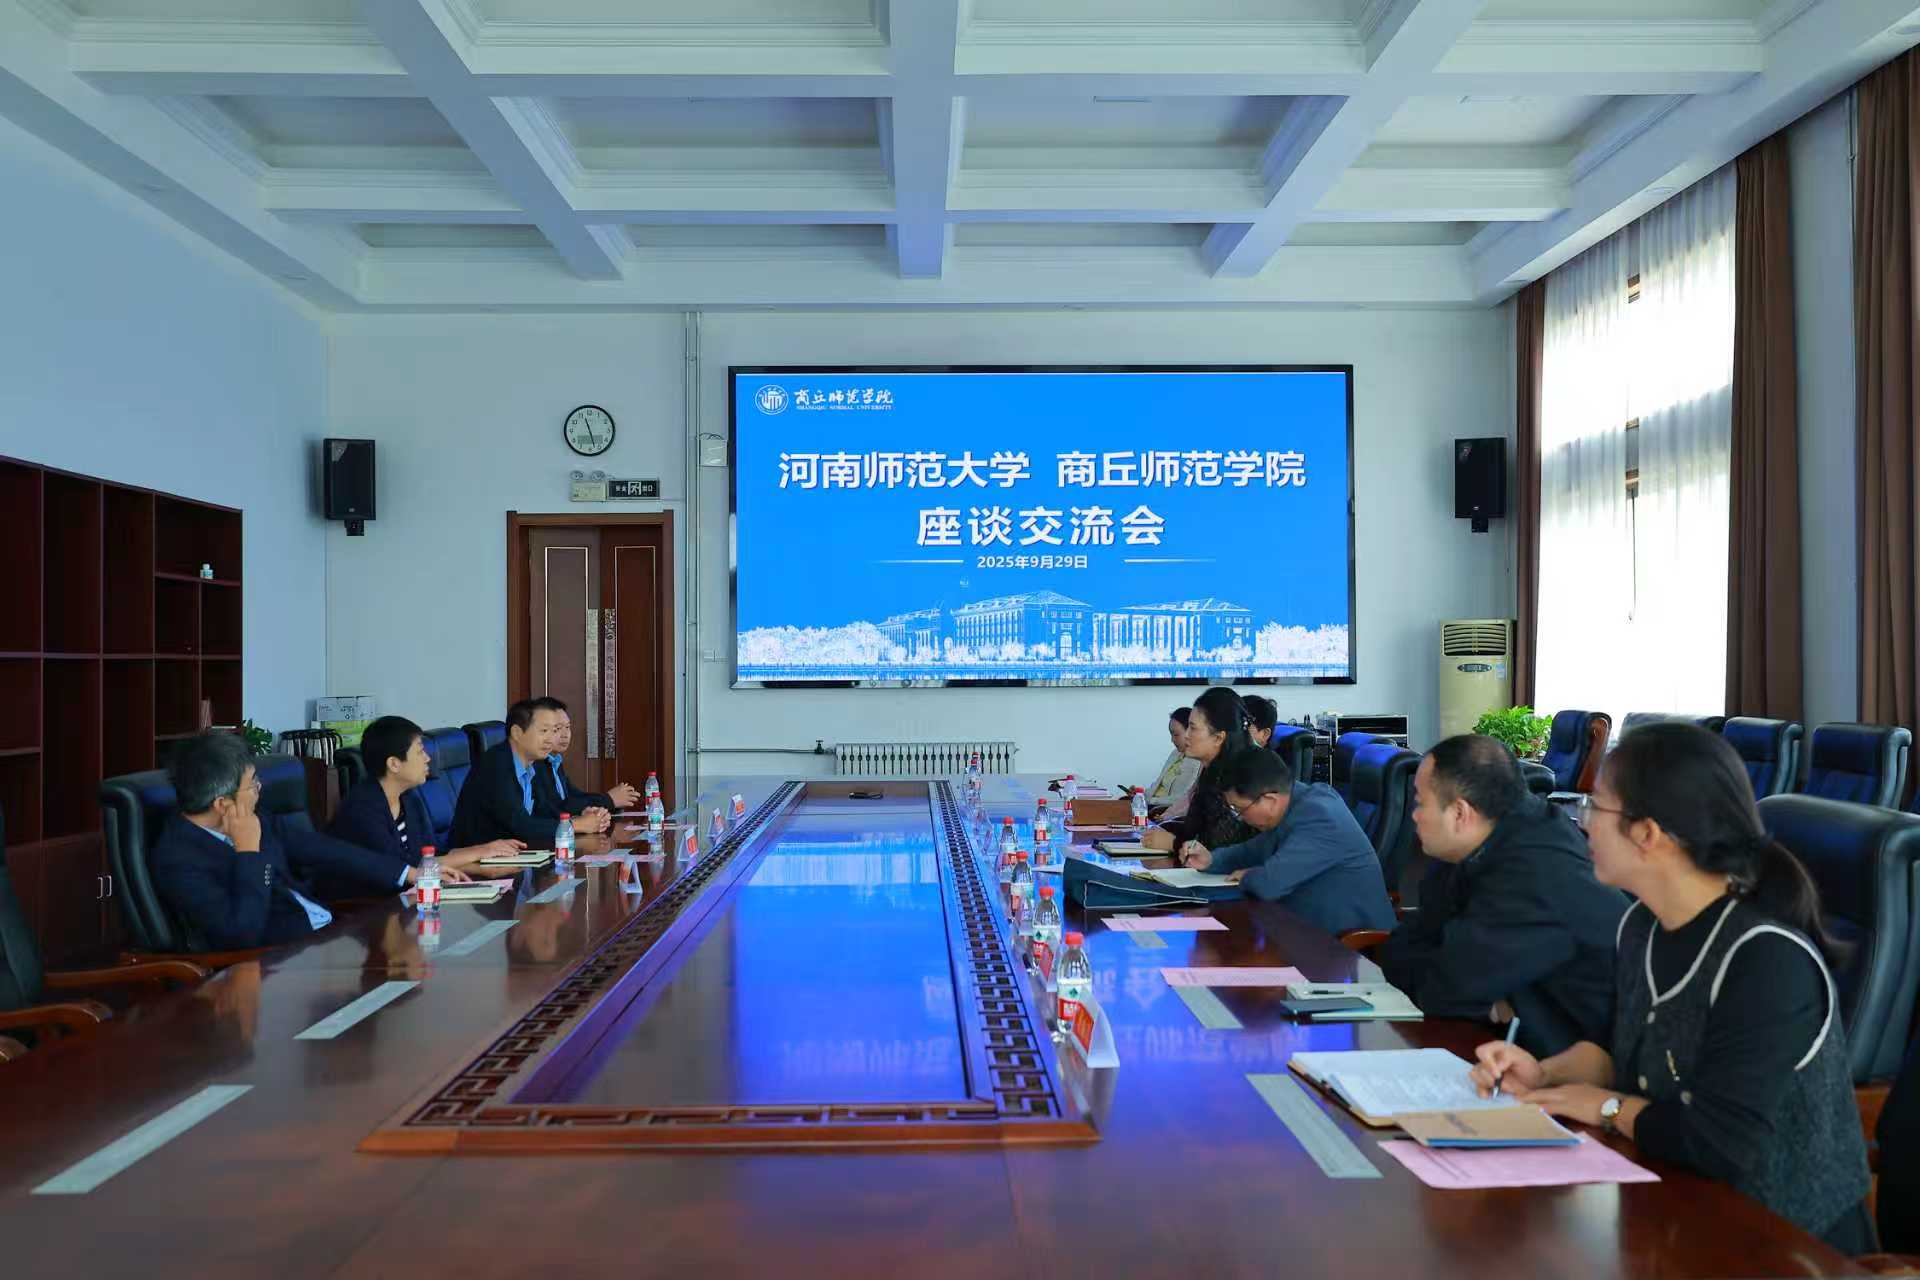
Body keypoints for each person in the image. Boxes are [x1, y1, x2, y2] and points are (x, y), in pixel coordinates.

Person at [1468, 723, 1872, 1252]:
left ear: (1648, 833)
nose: (1584, 824)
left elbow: (1716, 1143)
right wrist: (1545, 1073)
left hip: (1786, 1242)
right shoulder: (1643, 926)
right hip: (1674, 1215)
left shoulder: (1766, 960)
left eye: (1596, 807)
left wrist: (1605, 1107)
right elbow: (1626, 1058)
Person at [1379, 734, 1626, 1057]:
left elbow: (1444, 987)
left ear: (1460, 813)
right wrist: (1490, 1002)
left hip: (1579, 1063)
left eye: (1420, 802)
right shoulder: (1480, 842)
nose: (1414, 815)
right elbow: (1401, 948)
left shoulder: (1534, 870)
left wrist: (1470, 991)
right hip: (1513, 1045)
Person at [152, 732, 440, 951]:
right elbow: (242, 934)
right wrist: (248, 852)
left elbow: (325, 850)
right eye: (252, 785)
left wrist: (407, 873)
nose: (259, 790)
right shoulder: (179, 859)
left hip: (325, 934)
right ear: (222, 804)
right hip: (279, 962)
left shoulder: (257, 818)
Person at [1176, 748, 1395, 934]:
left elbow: (1268, 885)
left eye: (1240, 809)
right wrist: (1212, 860)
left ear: (1270, 800)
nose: (1239, 817)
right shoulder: (1295, 802)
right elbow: (1253, 850)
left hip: (1350, 946)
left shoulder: (1320, 816)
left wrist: (1250, 875)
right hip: (1304, 929)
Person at [330, 715, 522, 876]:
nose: (427, 758)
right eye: (420, 751)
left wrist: (482, 865)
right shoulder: (363, 808)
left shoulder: (409, 798)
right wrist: (479, 852)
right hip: (365, 904)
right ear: (394, 764)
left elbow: (430, 856)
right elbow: (400, 869)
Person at [448, 699, 610, 849]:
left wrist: (579, 816)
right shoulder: (496, 765)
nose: (550, 739)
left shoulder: (531, 765)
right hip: (475, 862)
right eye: (544, 731)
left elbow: (545, 811)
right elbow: (520, 825)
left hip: (514, 854)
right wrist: (577, 825)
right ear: (517, 733)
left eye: (553, 731)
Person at [1140, 686, 1256, 853]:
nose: (1186, 735)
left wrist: (1175, 843)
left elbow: (1227, 844)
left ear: (1218, 737)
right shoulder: (1209, 770)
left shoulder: (1244, 775)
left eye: (1192, 728)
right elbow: (1195, 828)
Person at [529, 696, 640, 818]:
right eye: (558, 728)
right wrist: (609, 800)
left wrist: (611, 801)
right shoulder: (534, 763)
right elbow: (556, 808)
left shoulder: (554, 761)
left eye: (568, 727)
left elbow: (574, 797)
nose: (565, 735)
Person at [1145, 707, 1201, 809]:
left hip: (1162, 809)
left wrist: (1149, 800)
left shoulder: (1197, 761)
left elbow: (1183, 799)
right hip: (1152, 804)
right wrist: (1140, 794)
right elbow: (1159, 784)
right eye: (1171, 734)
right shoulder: (1175, 753)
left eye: (1176, 735)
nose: (1172, 740)